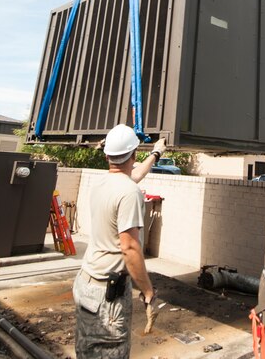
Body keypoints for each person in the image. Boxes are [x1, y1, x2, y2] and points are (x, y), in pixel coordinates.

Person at [73, 125, 166, 357]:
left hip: (86, 284)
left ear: (107, 156)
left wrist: (156, 153)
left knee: (87, 350)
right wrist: (148, 292)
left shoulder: (102, 183)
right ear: (133, 154)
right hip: (107, 293)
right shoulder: (129, 192)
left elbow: (133, 175)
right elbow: (130, 248)